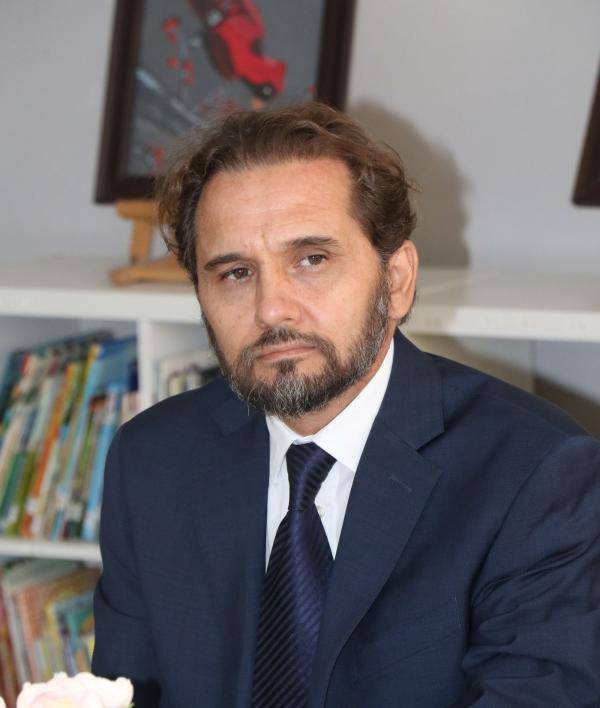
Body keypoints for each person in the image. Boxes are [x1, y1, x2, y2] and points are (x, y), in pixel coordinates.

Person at [92, 102, 600, 707]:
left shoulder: (536, 474)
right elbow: (120, 694)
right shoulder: (153, 460)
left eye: (312, 260)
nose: (271, 308)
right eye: (235, 273)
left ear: (396, 281)